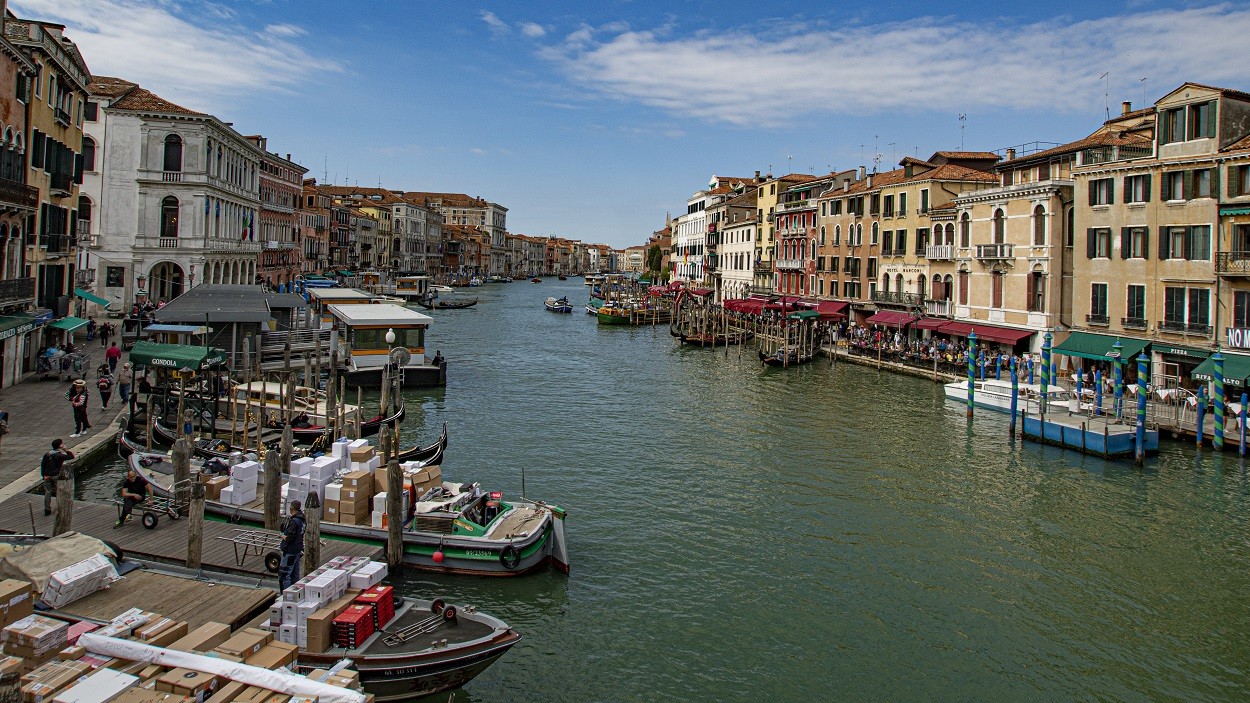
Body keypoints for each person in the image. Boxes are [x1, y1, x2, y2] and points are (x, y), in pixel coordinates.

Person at [41, 439, 74, 516]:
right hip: (56, 475)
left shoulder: (47, 454)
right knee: (59, 492)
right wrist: (66, 449)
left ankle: (47, 509)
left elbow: (43, 465)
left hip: (47, 475)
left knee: (47, 492)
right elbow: (71, 456)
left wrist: (43, 475)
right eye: (62, 444)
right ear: (60, 446)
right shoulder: (60, 455)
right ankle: (60, 508)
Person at [278, 500, 306, 590]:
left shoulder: (294, 521)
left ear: (292, 508)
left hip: (290, 551)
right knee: (294, 574)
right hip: (297, 550)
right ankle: (295, 592)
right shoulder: (303, 520)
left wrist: (282, 536)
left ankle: (285, 596)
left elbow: (290, 538)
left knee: (284, 575)